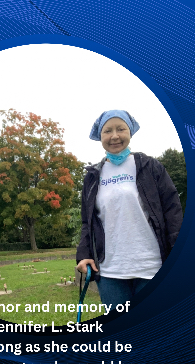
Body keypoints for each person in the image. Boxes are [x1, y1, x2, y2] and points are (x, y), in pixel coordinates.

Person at [76, 110, 183, 309]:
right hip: (110, 271)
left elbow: (172, 210)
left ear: (130, 132)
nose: (114, 135)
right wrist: (84, 254)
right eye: (107, 131)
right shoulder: (92, 177)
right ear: (100, 137)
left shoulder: (150, 167)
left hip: (152, 267)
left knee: (153, 330)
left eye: (120, 129)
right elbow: (86, 222)